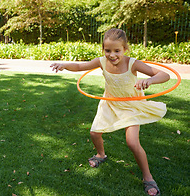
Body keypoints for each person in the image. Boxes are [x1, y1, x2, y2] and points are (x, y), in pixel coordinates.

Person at [50, 28, 169, 196]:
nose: (112, 55)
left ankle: (148, 177)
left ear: (125, 49)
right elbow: (79, 66)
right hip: (110, 103)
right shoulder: (101, 61)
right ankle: (101, 154)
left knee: (132, 143)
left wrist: (150, 80)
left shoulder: (132, 63)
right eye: (107, 50)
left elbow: (165, 75)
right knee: (94, 133)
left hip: (131, 106)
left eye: (117, 51)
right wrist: (64, 65)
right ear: (103, 49)